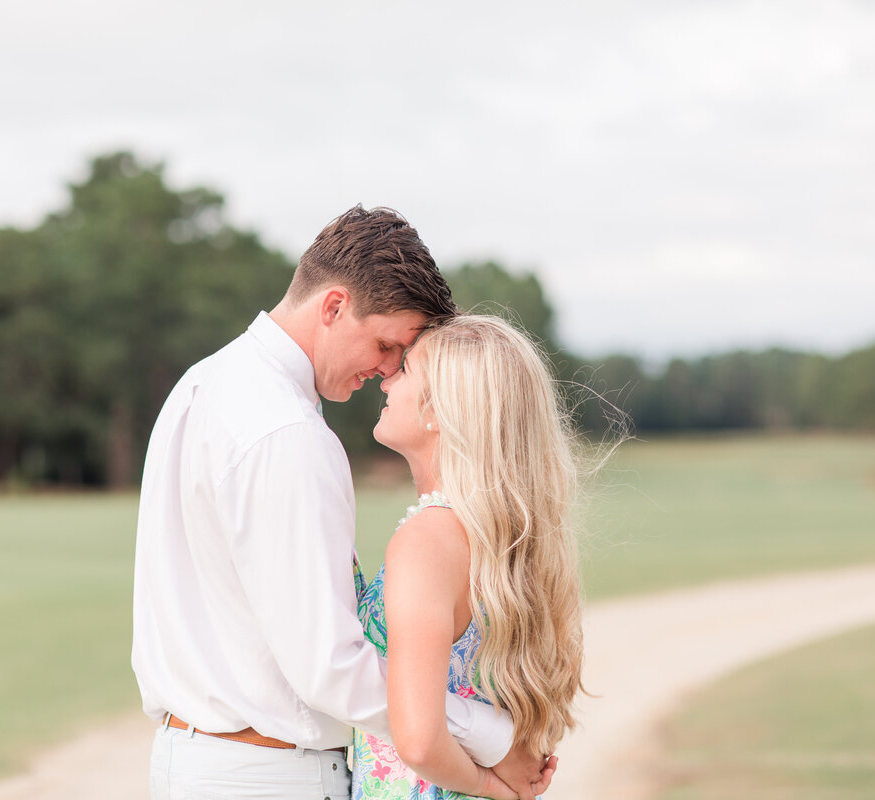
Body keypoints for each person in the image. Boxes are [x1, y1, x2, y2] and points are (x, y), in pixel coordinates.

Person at [131, 206, 554, 800]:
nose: (385, 370)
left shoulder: (201, 385)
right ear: (333, 307)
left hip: (194, 761)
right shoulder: (289, 433)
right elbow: (328, 667)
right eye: (386, 344)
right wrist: (490, 738)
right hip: (271, 774)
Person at [351, 315, 585, 799]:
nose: (387, 377)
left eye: (407, 370)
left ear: (442, 409)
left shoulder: (427, 540)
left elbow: (417, 738)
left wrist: (487, 786)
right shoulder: (502, 540)